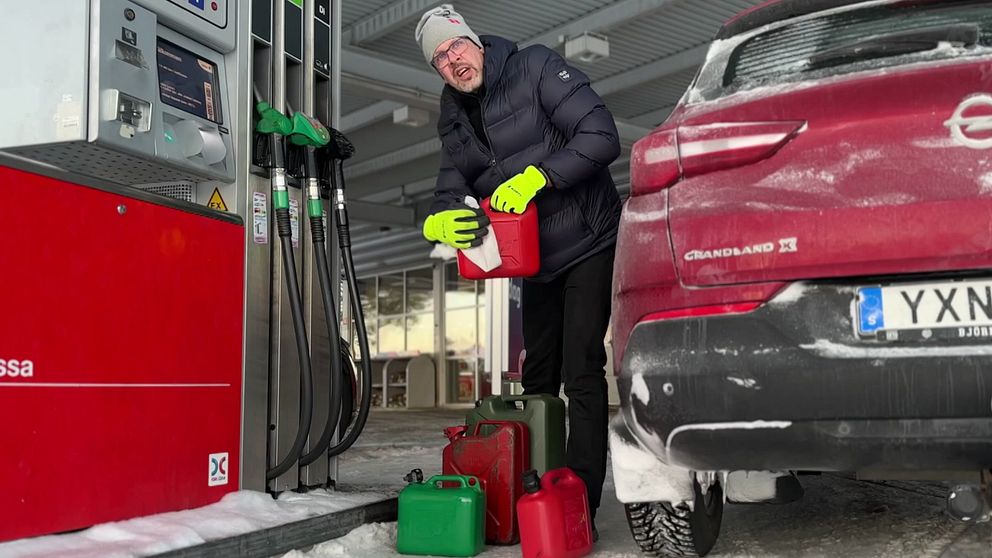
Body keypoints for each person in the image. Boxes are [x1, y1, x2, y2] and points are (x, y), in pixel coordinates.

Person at [416, 5, 621, 536]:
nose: (453, 60)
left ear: (473, 41)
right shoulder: (453, 115)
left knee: (580, 370)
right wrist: (438, 220)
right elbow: (448, 189)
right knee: (535, 380)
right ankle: (531, 496)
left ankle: (578, 508)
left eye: (455, 46)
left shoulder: (532, 67)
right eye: (440, 58)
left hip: (592, 240)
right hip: (536, 262)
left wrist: (538, 176)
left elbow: (601, 136)